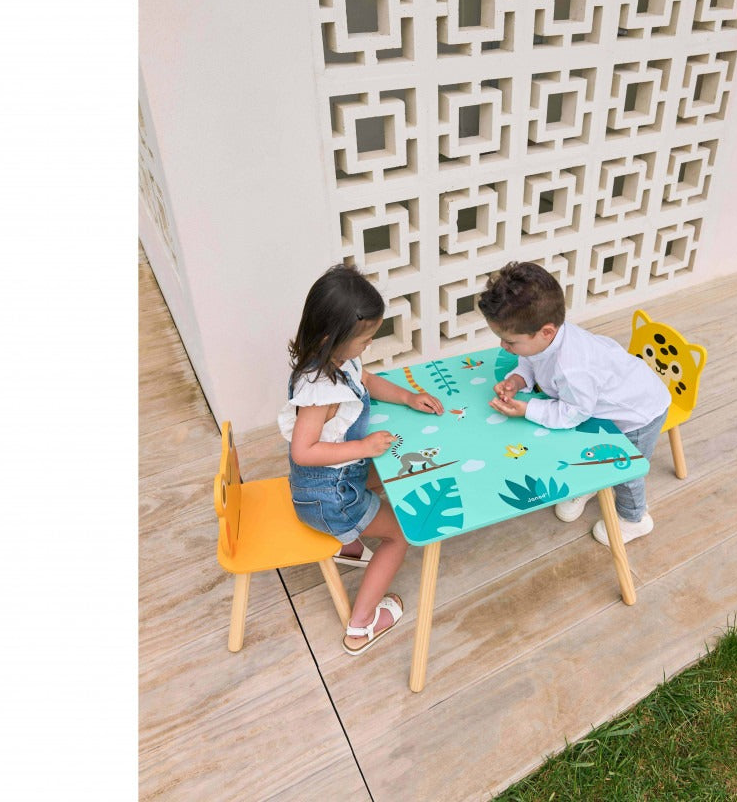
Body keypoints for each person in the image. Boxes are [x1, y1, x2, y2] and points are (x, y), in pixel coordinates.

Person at [278, 264, 444, 655]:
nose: (368, 346)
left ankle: (348, 544)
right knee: (400, 535)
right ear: (331, 336)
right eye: (365, 340)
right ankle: (361, 624)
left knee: (388, 477)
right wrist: (364, 447)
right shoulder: (320, 391)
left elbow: (366, 380)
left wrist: (406, 397)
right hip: (328, 497)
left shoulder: (335, 360)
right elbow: (303, 450)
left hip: (331, 486)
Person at [477, 261, 670, 544]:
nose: (503, 346)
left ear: (546, 331)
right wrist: (517, 380)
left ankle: (634, 518)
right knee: (583, 444)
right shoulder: (546, 339)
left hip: (639, 413)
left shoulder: (573, 368)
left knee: (625, 471)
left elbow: (573, 413)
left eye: (510, 342)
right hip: (598, 403)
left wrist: (528, 409)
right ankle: (593, 484)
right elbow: (531, 359)